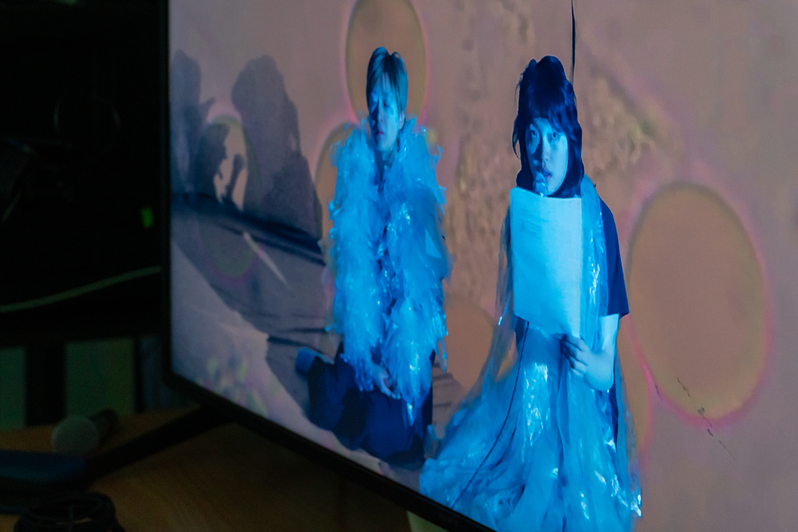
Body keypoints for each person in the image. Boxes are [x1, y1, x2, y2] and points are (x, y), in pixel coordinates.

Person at [419, 56, 641, 531]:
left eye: (554, 137)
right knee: (491, 480)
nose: (542, 153)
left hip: (583, 403)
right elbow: (522, 330)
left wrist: (587, 363)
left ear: (571, 140)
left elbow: (606, 368)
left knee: (561, 501)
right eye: (533, 135)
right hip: (533, 388)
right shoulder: (522, 210)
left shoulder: (597, 223)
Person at [296, 47, 449, 465]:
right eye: (374, 103)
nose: (380, 116)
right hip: (368, 330)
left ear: (402, 115)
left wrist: (396, 365)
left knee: (384, 434)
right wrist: (365, 360)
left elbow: (424, 295)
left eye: (389, 106)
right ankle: (326, 371)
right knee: (325, 407)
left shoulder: (418, 191)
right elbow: (354, 276)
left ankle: (358, 387)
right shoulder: (357, 169)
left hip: (403, 341)